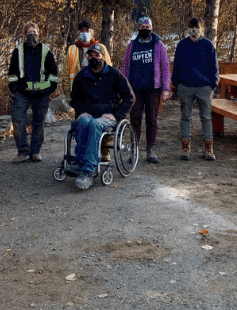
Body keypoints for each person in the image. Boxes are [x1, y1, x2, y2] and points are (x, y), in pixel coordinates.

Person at [70, 43, 134, 190]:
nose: (93, 58)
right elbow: (75, 98)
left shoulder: (114, 75)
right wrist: (81, 111)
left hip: (107, 115)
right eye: (90, 55)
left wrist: (116, 115)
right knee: (82, 122)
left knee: (94, 125)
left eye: (97, 55)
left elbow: (130, 98)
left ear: (102, 57)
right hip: (88, 113)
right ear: (87, 57)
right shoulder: (82, 76)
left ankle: (88, 170)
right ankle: (80, 163)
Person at [120, 17, 171, 164]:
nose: (144, 29)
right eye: (141, 26)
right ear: (138, 29)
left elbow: (165, 67)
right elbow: (125, 66)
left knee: (152, 119)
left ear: (151, 28)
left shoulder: (158, 45)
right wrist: (124, 87)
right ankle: (134, 149)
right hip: (135, 88)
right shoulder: (131, 45)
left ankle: (151, 148)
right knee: (135, 118)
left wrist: (166, 88)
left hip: (153, 88)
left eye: (147, 26)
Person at [7, 22, 59, 163]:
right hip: (22, 92)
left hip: (41, 92)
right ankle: (23, 151)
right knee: (18, 118)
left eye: (34, 31)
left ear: (39, 34)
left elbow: (53, 73)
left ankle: (35, 151)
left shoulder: (45, 50)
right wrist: (14, 88)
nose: (32, 34)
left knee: (39, 122)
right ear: (25, 34)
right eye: (29, 31)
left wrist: (50, 88)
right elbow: (12, 72)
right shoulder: (18, 50)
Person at [171, 17, 219, 161]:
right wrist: (177, 84)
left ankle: (208, 148)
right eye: (191, 28)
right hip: (185, 87)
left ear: (201, 29)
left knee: (206, 117)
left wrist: (212, 85)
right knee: (185, 117)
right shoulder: (181, 45)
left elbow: (214, 67)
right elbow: (177, 66)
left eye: (197, 28)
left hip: (204, 87)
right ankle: (185, 148)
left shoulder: (208, 45)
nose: (194, 30)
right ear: (188, 29)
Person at [65, 20, 112, 98]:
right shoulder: (72, 49)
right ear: (78, 33)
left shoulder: (101, 48)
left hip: (98, 90)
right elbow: (66, 74)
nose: (85, 33)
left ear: (91, 32)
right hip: (78, 91)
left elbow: (109, 69)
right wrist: (68, 94)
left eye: (87, 30)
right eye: (82, 31)